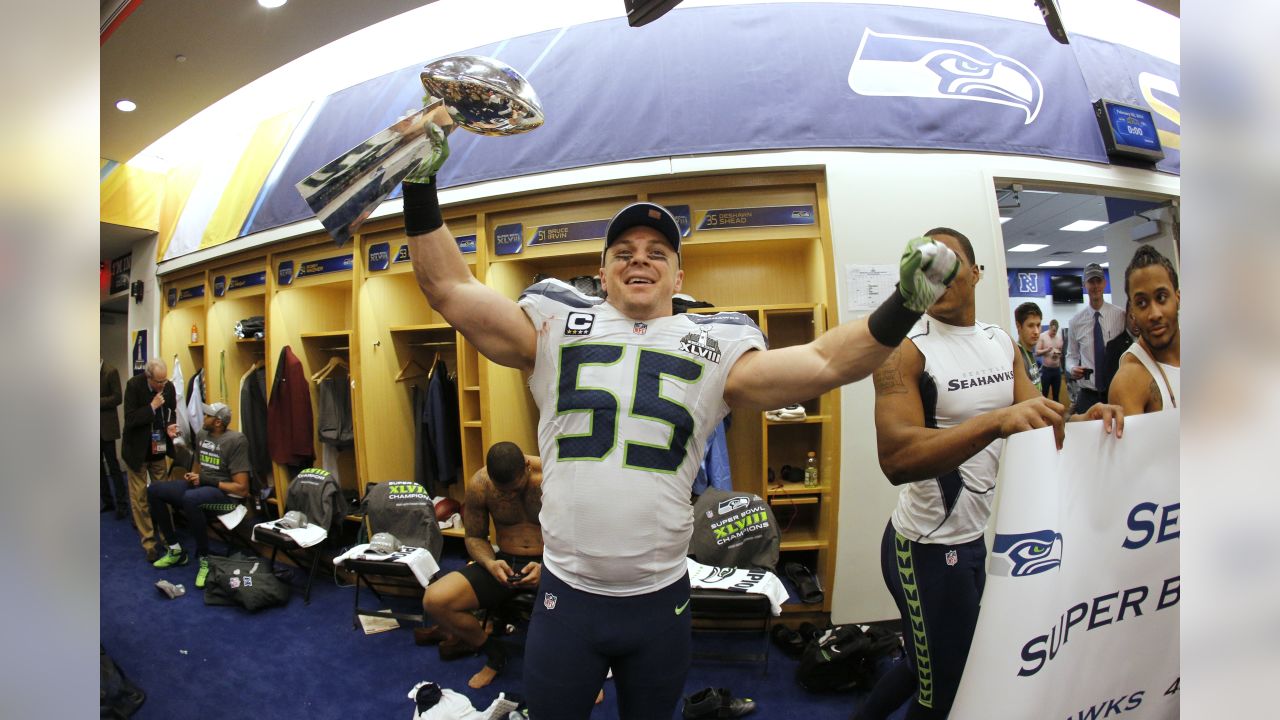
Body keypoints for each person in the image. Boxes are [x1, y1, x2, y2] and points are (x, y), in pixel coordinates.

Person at [398, 129, 961, 720]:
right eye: (624, 251)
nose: (639, 258)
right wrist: (419, 187)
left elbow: (822, 362)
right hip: (568, 594)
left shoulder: (715, 347)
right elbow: (449, 287)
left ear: (678, 276)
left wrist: (905, 301)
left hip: (659, 600)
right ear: (603, 270)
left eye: (656, 252)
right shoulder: (553, 328)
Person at [857, 228, 1123, 720]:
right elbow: (895, 458)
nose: (937, 275)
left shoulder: (998, 340)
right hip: (923, 550)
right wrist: (993, 422)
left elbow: (1034, 414)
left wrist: (1084, 421)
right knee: (947, 689)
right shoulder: (906, 349)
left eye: (949, 263)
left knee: (926, 665)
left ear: (976, 273)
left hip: (974, 540)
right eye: (926, 265)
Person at [420, 442, 543, 690]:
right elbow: (475, 537)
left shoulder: (553, 475)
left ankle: (580, 672)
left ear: (527, 467)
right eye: (502, 491)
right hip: (504, 562)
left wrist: (549, 567)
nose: (508, 496)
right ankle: (495, 653)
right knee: (435, 600)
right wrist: (489, 563)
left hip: (551, 562)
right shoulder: (481, 483)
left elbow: (579, 536)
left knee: (582, 607)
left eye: (514, 489)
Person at [148, 402, 251, 588]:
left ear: (218, 422)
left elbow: (241, 489)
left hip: (227, 500)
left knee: (191, 499)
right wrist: (192, 476)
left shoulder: (237, 441)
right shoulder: (203, 434)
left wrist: (205, 480)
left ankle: (205, 559)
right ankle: (175, 550)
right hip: (201, 489)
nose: (203, 418)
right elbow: (197, 463)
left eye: (207, 416)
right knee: (155, 491)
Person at [1108, 245, 1180, 414]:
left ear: (1178, 298)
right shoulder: (1129, 381)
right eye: (1142, 303)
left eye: (1161, 297)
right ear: (1132, 311)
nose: (1154, 314)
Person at [121, 358, 180, 562]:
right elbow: (130, 420)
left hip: (158, 448)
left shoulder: (168, 387)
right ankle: (149, 543)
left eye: (165, 381)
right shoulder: (134, 386)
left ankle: (168, 539)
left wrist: (171, 426)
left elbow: (172, 411)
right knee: (140, 499)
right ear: (148, 377)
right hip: (136, 451)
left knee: (163, 495)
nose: (162, 385)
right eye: (158, 382)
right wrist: (152, 407)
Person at [1066, 262, 1127, 412]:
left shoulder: (1120, 316)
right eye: (1091, 282)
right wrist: (1072, 368)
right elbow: (1070, 356)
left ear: (1105, 283)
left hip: (1115, 390)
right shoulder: (1075, 322)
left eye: (1098, 281)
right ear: (1084, 285)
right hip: (1088, 396)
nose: (1095, 286)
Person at [101, 359, 127, 519]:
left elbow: (118, 398)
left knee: (113, 466)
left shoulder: (111, 371)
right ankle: (107, 502)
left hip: (107, 428)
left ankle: (122, 504)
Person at [1012, 301, 1043, 392]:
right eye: (1030, 325)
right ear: (1018, 326)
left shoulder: (1030, 352)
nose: (1036, 331)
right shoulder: (1018, 358)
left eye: (1038, 325)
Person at [1034, 318, 1063, 401]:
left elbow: (1061, 351)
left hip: (1057, 370)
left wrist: (1057, 354)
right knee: (1044, 395)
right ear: (1049, 328)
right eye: (1053, 330)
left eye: (1055, 331)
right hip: (1046, 370)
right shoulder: (1043, 336)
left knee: (1056, 396)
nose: (1054, 333)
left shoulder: (1059, 337)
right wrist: (1046, 350)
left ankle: (1056, 413)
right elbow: (1037, 352)